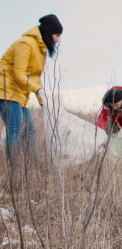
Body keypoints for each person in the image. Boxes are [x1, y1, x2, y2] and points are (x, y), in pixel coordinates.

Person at [0, 14, 63, 167]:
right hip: (5, 90)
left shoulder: (40, 49)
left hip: (20, 94)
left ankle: (36, 169)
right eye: (57, 35)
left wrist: (43, 99)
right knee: (16, 127)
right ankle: (15, 171)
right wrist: (37, 89)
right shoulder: (25, 43)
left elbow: (34, 77)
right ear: (48, 33)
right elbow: (18, 74)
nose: (58, 40)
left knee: (30, 130)